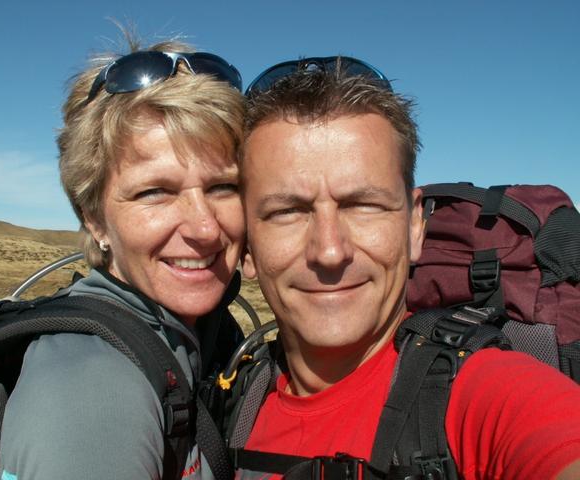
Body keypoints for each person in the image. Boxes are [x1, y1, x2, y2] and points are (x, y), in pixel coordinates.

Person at [236, 57, 580, 479]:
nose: (329, 251)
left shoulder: (491, 392)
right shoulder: (234, 402)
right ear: (245, 245)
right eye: (287, 211)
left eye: (364, 205)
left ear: (416, 227)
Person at [0, 37, 245, 479]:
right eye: (155, 192)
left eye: (223, 186)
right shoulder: (88, 389)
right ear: (93, 218)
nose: (205, 228)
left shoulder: (203, 333)